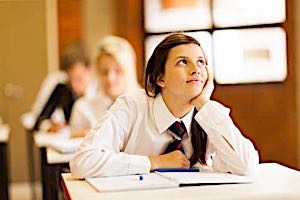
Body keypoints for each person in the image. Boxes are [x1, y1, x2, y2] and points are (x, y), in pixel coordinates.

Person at [70, 33, 259, 178]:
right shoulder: (132, 106)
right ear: (160, 78)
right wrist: (154, 162)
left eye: (201, 62)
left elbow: (246, 166)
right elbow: (82, 162)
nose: (196, 70)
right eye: (183, 62)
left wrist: (203, 103)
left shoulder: (209, 115)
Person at [69, 36, 140, 137]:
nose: (110, 79)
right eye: (104, 72)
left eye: (118, 71)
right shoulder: (82, 107)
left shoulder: (145, 107)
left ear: (129, 72)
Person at [32, 42, 95, 132]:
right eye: (70, 79)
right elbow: (40, 121)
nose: (74, 86)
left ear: (90, 69)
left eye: (79, 78)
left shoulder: (102, 92)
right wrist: (50, 126)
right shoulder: (63, 88)